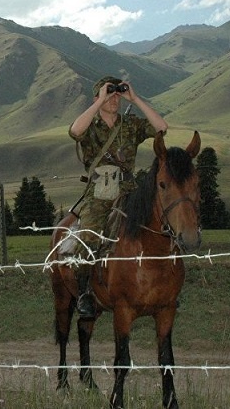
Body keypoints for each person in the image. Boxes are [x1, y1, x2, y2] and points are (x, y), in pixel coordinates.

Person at [68, 76, 168, 318]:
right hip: (99, 193)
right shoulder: (90, 126)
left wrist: (135, 99)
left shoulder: (130, 124)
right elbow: (74, 131)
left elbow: (161, 128)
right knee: (89, 237)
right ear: (98, 97)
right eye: (108, 93)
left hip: (129, 190)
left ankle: (161, 286)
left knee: (159, 228)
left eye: (117, 94)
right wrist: (99, 100)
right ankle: (84, 294)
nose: (114, 98)